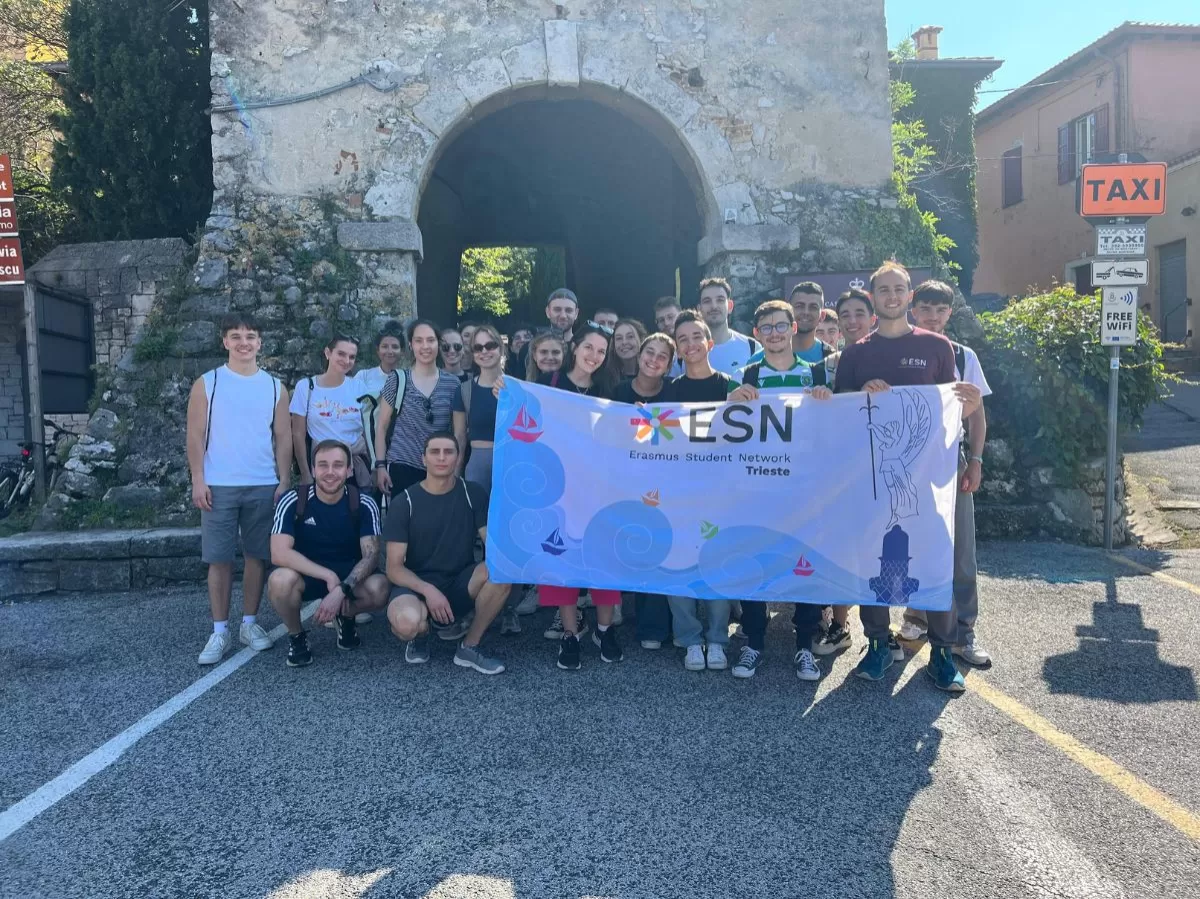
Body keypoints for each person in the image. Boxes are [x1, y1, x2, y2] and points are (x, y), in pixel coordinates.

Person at [834, 261, 982, 693]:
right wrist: (859, 396)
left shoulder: (939, 348)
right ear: (874, 297)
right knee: (873, 559)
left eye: (899, 289)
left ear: (909, 296)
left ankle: (941, 652)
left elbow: (953, 409)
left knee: (936, 560)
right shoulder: (856, 353)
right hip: (874, 477)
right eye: (884, 290)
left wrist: (970, 410)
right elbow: (839, 414)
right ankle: (878, 644)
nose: (892, 296)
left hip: (930, 478)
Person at [494, 320, 624, 668]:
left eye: (601, 351)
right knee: (562, 558)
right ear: (574, 348)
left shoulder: (611, 388)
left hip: (600, 489)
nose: (594, 356)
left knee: (603, 560)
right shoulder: (547, 386)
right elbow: (525, 421)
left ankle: (604, 628)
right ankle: (569, 634)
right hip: (559, 489)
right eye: (588, 348)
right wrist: (505, 396)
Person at [727, 301, 833, 681]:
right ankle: (754, 642)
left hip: (803, 491)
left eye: (780, 325)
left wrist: (828, 402)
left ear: (793, 327)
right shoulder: (744, 376)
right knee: (755, 564)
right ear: (756, 333)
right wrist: (730, 403)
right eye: (766, 327)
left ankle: (804, 646)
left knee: (804, 566)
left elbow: (837, 430)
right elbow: (718, 433)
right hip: (756, 491)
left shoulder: (818, 374)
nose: (774, 332)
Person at [186, 313, 291, 665]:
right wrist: (198, 479)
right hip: (219, 485)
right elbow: (195, 436)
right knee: (219, 559)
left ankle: (249, 623)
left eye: (250, 336)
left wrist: (284, 479)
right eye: (236, 336)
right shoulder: (208, 383)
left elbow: (283, 438)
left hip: (263, 483)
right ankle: (219, 631)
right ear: (225, 342)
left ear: (260, 342)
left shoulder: (276, 387)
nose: (244, 342)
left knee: (257, 557)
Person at [903, 280, 992, 668]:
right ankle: (916, 617)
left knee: (960, 550)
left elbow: (976, 416)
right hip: (907, 461)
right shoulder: (898, 350)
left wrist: (976, 460)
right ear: (912, 310)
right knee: (908, 543)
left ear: (949, 313)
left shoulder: (962, 354)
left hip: (948, 460)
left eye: (940, 309)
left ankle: (964, 630)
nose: (933, 316)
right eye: (925, 308)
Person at [384, 433, 510, 675]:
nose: (441, 458)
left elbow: (491, 545)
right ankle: (421, 633)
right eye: (434, 452)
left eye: (448, 452)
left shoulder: (473, 493)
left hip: (458, 584)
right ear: (423, 459)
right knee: (407, 623)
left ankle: (469, 646)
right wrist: (428, 590)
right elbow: (394, 568)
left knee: (501, 570)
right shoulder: (404, 502)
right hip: (416, 586)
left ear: (458, 457)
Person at [267, 440, 389, 667]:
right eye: (323, 465)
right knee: (279, 580)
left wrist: (342, 589)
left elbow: (371, 556)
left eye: (338, 465)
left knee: (380, 588)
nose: (330, 472)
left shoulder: (364, 503)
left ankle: (345, 616)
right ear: (313, 470)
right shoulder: (293, 500)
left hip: (349, 576)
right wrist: (328, 577)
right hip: (308, 575)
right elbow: (278, 553)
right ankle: (297, 636)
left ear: (349, 470)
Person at [666, 310, 738, 670]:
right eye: (683, 339)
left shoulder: (730, 387)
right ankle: (690, 639)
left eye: (697, 336)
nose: (691, 344)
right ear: (677, 348)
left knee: (717, 565)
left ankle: (717, 638)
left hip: (719, 494)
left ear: (710, 343)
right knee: (678, 565)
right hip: (678, 493)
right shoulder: (670, 391)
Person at [811, 288, 879, 656]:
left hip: (876, 464)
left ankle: (880, 635)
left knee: (874, 549)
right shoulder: (823, 365)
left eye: (858, 314)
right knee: (837, 547)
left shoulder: (885, 356)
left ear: (872, 317)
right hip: (834, 466)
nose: (851, 322)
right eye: (844, 316)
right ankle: (840, 623)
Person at [613, 332, 679, 651]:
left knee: (658, 548)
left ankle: (654, 625)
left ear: (669, 365)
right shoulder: (617, 393)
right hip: (625, 481)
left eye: (662, 356)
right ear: (639, 356)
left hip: (665, 483)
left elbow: (684, 438)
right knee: (633, 547)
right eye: (648, 352)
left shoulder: (676, 396)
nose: (653, 359)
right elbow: (605, 436)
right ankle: (613, 611)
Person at [374, 319, 461, 497]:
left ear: (438, 344)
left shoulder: (453, 384)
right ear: (411, 345)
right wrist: (380, 466)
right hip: (402, 465)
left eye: (430, 340)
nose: (425, 346)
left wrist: (456, 469)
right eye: (419, 340)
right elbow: (381, 427)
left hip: (440, 466)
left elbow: (458, 432)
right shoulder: (397, 380)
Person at [290, 335, 371, 491]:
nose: (346, 360)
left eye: (352, 357)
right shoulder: (306, 387)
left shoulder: (359, 387)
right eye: (341, 354)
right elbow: (298, 434)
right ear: (328, 353)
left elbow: (368, 430)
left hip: (356, 468)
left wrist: (375, 466)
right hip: (320, 468)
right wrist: (306, 473)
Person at [745, 282, 833, 369]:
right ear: (788, 311)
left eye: (813, 307)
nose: (806, 312)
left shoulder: (831, 359)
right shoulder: (756, 361)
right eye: (799, 306)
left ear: (822, 316)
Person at [696, 277, 760, 377]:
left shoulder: (752, 348)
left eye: (720, 300)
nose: (714, 306)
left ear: (730, 306)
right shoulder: (687, 351)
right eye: (707, 301)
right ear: (699, 309)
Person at [514, 288, 580, 376]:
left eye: (568, 310)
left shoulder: (581, 349)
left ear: (576, 313)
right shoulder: (528, 349)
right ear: (548, 312)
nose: (563, 316)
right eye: (557, 310)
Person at [355, 322, 406, 400]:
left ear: (402, 351)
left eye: (395, 347)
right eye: (385, 346)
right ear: (378, 350)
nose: (390, 351)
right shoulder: (363, 377)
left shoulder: (408, 380)